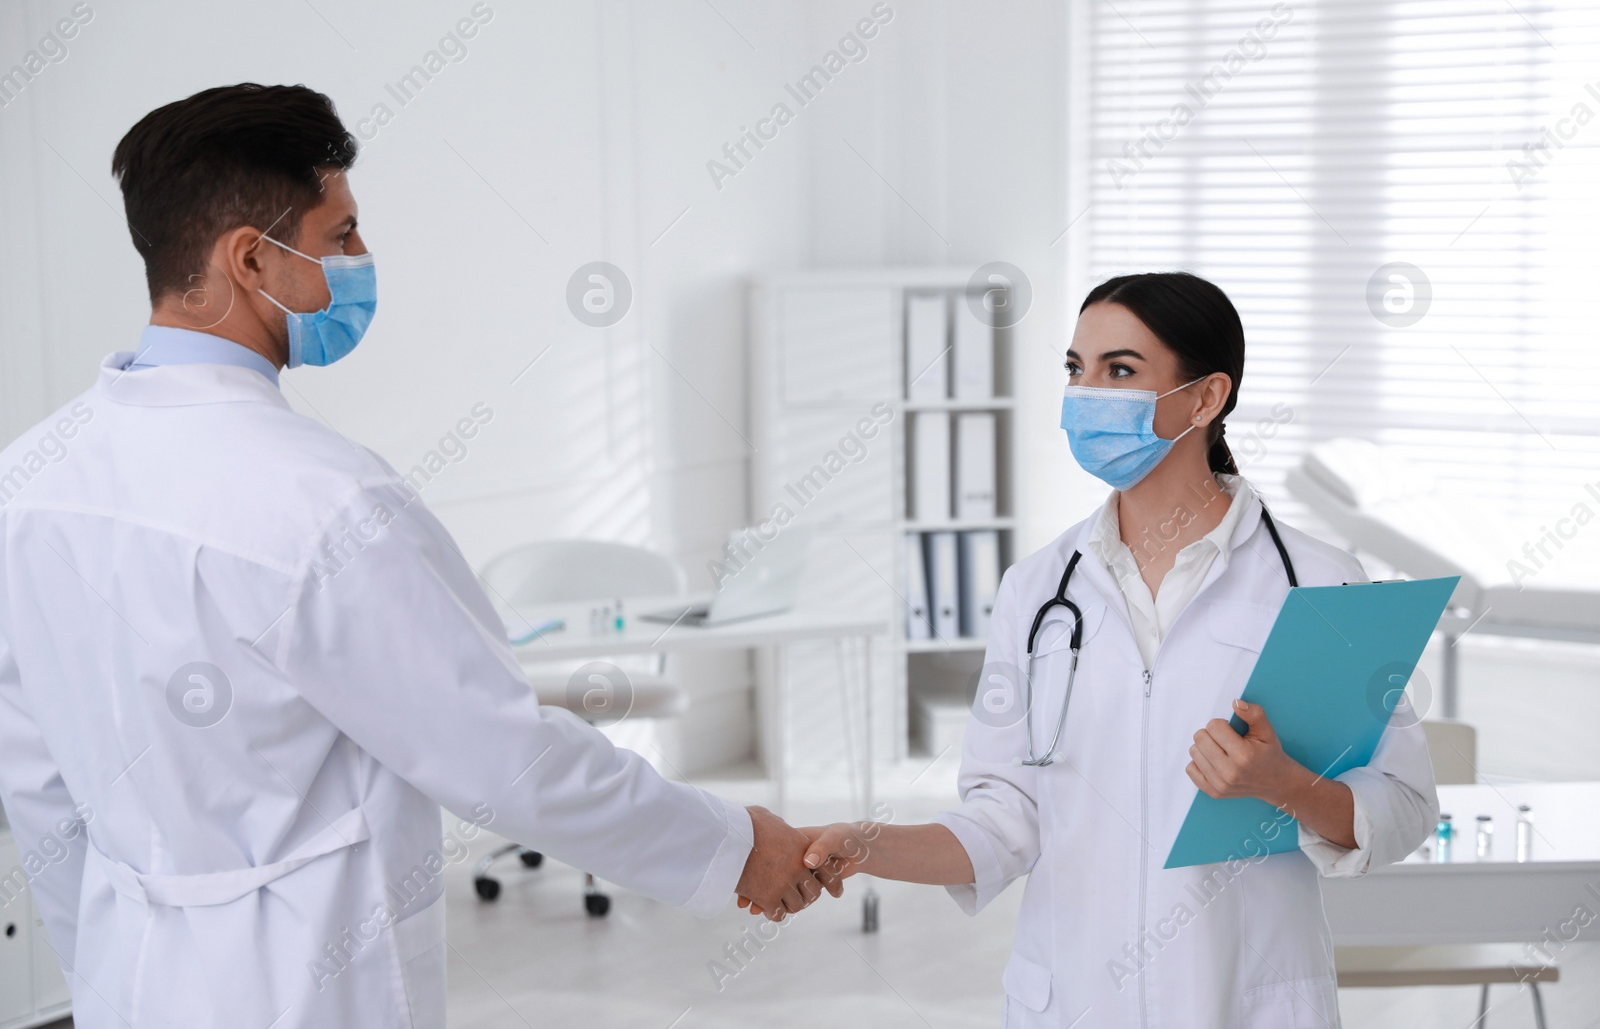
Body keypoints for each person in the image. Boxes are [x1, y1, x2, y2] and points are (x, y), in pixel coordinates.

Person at [0, 83, 830, 1029]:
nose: (361, 261)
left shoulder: (26, 480)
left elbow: (36, 787)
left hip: (130, 984)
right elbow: (504, 756)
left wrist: (105, 966)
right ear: (248, 256)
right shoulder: (325, 500)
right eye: (341, 234)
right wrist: (731, 844)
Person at [799, 273, 1438, 1028]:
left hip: (1245, 998)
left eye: (1120, 370)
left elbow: (1402, 807)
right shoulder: (1037, 591)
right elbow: (1004, 819)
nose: (1085, 394)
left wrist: (1285, 785)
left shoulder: (1320, 583)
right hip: (1075, 998)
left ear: (1205, 398)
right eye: (1076, 368)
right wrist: (870, 845)